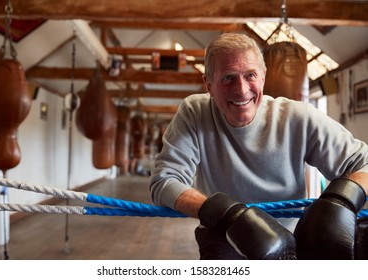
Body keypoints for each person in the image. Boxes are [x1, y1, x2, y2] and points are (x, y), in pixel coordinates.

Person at [149, 33, 368, 260]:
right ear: (209, 84)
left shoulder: (298, 117)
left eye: (250, 75)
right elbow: (164, 182)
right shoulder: (195, 112)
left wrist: (342, 200)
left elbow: (364, 163)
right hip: (223, 237)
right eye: (228, 78)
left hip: (289, 235)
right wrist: (228, 215)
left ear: (263, 77)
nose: (242, 90)